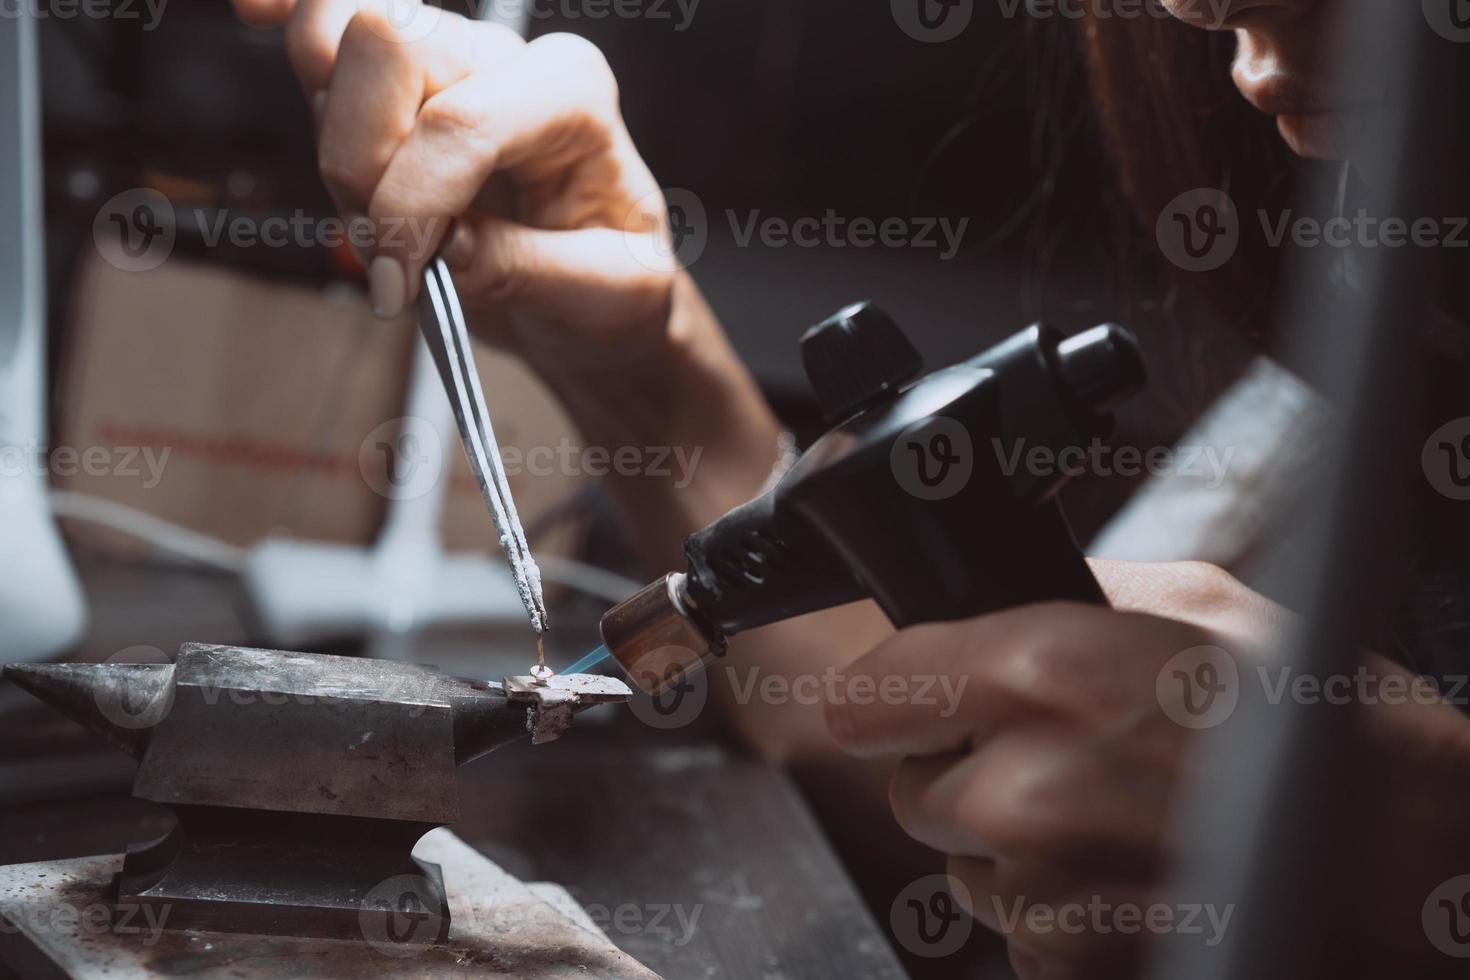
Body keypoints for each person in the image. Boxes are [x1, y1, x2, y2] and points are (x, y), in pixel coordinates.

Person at [228, 2, 1470, 976]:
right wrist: (647, 365)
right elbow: (959, 748)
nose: (1215, 17)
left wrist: (1427, 853)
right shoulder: (1370, 373)